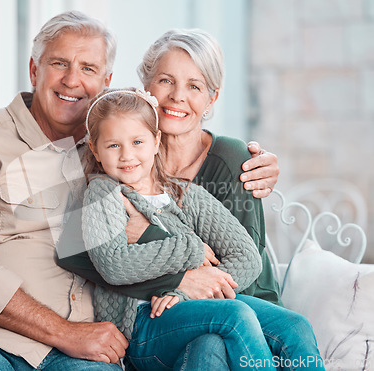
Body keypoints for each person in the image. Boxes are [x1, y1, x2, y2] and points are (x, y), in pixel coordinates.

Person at [0, 11, 280, 370]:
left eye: (88, 69)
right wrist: (66, 332)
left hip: (84, 347)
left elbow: (153, 208)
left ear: (106, 81)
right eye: (59, 64)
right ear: (34, 70)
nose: (72, 80)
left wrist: (258, 164)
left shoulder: (112, 150)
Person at [57, 29, 324, 370]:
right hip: (155, 316)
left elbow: (245, 260)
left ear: (212, 97)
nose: (177, 96)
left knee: (285, 327)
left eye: (194, 86)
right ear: (146, 86)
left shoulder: (222, 167)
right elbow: (83, 254)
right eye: (166, 80)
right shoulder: (112, 165)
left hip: (239, 298)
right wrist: (184, 265)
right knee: (213, 337)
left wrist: (173, 271)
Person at [82, 87, 283, 370]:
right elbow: (114, 265)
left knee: (295, 326)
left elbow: (247, 257)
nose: (127, 155)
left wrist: (187, 291)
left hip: (188, 307)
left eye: (137, 141)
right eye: (114, 145)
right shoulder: (103, 194)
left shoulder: (185, 193)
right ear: (96, 149)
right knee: (235, 315)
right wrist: (191, 247)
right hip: (143, 319)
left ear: (155, 141)